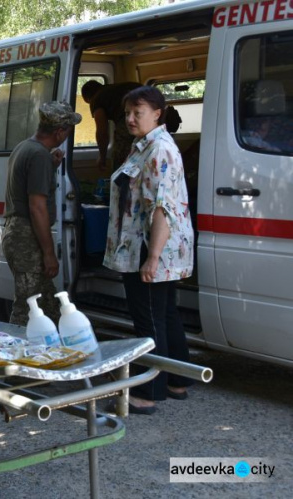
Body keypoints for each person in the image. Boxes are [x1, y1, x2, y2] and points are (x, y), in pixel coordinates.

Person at [103, 86, 194, 415]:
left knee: (149, 319)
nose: (129, 118)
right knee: (165, 313)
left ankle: (148, 392)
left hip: (150, 248)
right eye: (127, 112)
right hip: (147, 246)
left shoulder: (159, 150)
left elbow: (162, 209)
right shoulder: (143, 146)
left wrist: (152, 257)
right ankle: (178, 380)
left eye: (137, 112)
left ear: (158, 113)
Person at [1, 101, 81, 326]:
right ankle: (12, 356)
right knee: (29, 307)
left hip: (18, 233)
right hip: (27, 237)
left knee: (48, 305)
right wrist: (49, 253)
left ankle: (53, 352)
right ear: (59, 132)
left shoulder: (26, 147)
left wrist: (51, 167)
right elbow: (37, 207)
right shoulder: (39, 156)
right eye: (68, 131)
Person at [81, 80, 141, 172]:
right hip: (152, 116)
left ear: (88, 98)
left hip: (131, 118)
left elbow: (102, 131)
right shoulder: (113, 90)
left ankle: (121, 184)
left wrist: (102, 157)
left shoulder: (96, 98)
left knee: (120, 158)